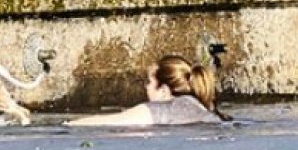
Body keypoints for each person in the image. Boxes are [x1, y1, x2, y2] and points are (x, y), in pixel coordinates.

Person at [65, 55, 229, 126]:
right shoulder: (205, 109)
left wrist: (67, 125)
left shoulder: (163, 110)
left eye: (149, 82)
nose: (145, 87)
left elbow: (111, 122)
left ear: (164, 91)